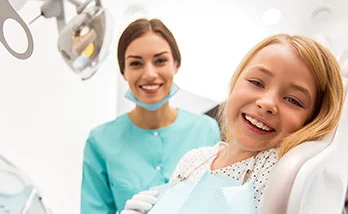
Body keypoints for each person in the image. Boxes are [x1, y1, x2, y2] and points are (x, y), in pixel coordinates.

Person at [121, 34, 344, 213]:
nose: (267, 103)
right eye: (256, 82)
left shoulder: (278, 171)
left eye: (293, 100)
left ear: (313, 119)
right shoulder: (194, 160)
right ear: (235, 83)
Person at [80, 18, 221, 213]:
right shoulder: (100, 142)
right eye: (136, 63)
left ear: (176, 64)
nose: (149, 74)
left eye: (160, 60)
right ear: (124, 72)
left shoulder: (207, 130)